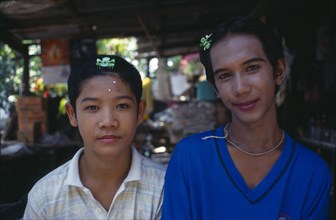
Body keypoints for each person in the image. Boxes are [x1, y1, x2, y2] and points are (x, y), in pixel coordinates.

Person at [162, 16, 331, 219]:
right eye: (225, 75)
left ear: (279, 70)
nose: (240, 88)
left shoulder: (311, 172)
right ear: (215, 87)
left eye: (252, 68)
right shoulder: (190, 158)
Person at [23, 55, 166, 219]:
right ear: (72, 114)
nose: (108, 122)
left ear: (140, 112)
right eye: (92, 107)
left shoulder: (165, 188)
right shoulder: (45, 198)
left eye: (122, 106)